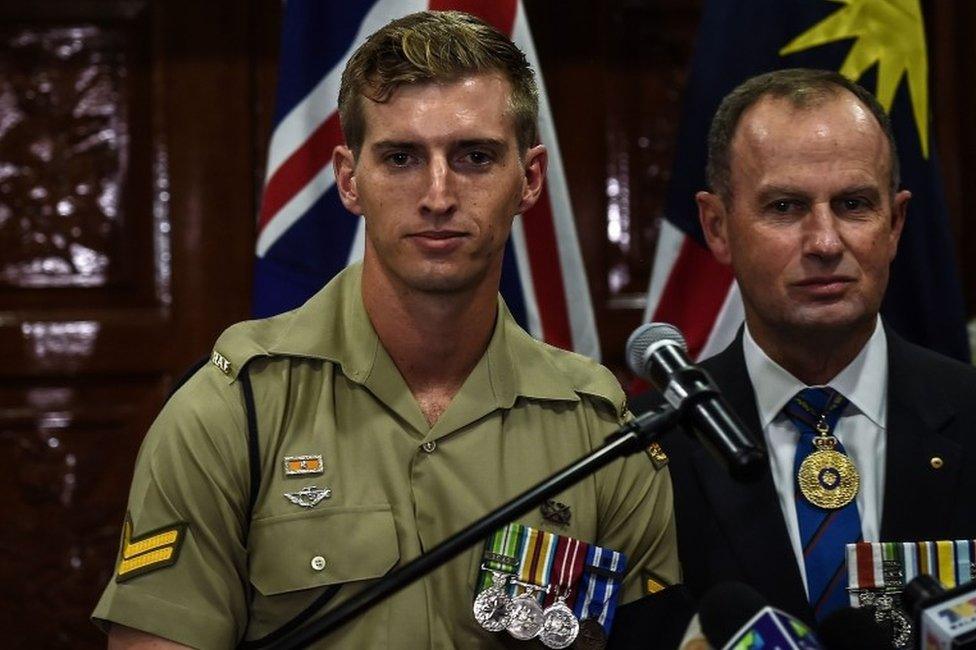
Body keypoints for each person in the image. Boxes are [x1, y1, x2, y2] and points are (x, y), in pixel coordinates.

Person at [92, 11, 679, 648]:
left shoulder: (599, 427)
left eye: (475, 157)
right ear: (350, 179)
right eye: (401, 158)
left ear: (529, 179)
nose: (437, 194)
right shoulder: (232, 411)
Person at [632, 68, 976, 626]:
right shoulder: (648, 446)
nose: (824, 242)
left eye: (854, 204)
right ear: (717, 227)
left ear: (895, 223)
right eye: (785, 207)